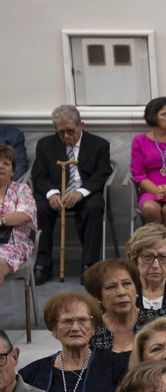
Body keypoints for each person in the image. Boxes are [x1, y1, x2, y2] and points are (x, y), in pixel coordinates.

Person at [30, 106, 111, 282]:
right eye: (61, 132)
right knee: (40, 208)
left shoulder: (99, 144)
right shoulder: (45, 145)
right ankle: (42, 264)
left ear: (81, 125)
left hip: (85, 193)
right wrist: (52, 193)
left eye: (70, 131)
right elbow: (38, 175)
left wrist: (80, 192)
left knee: (94, 208)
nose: (66, 137)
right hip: (56, 194)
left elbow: (103, 173)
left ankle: (89, 265)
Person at [21, 294, 121, 392]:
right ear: (54, 330)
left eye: (82, 320)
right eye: (67, 321)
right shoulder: (31, 374)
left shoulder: (117, 366)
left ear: (94, 327)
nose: (75, 328)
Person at [0, 144, 37, 290]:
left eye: (6, 164)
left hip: (14, 245)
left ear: (13, 171)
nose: (1, 167)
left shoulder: (22, 190)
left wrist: (1, 220)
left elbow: (24, 216)